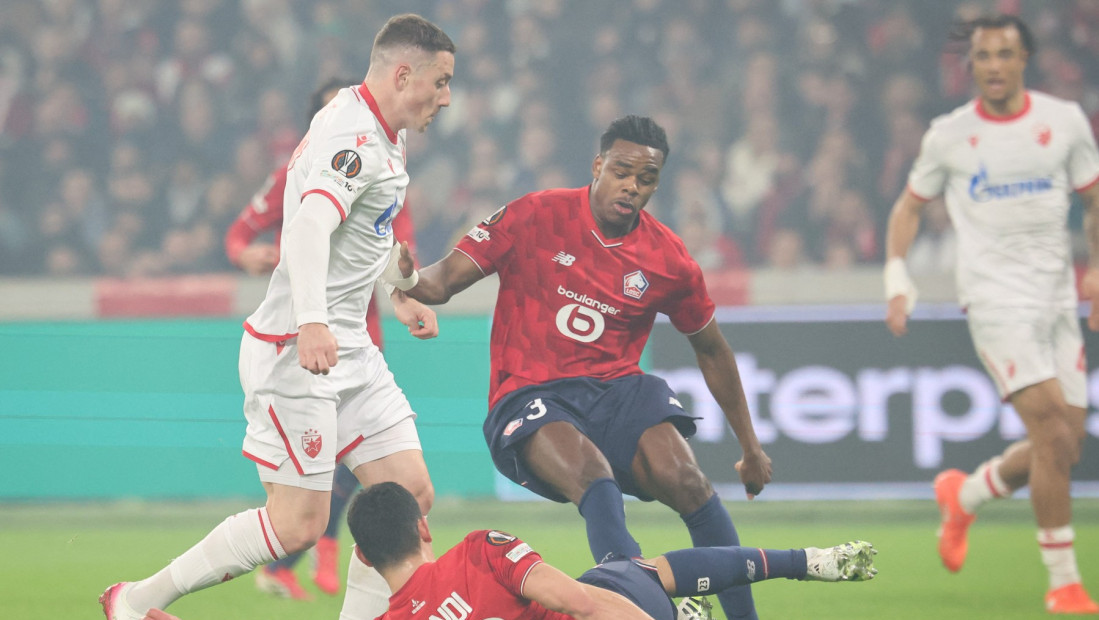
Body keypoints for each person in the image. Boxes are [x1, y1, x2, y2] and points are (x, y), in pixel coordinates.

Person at [100, 14, 456, 620]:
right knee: (297, 525)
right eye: (441, 81)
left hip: (351, 347)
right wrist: (312, 320)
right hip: (298, 348)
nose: (446, 98)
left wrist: (399, 290)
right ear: (403, 75)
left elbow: (361, 234)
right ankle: (136, 601)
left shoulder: (379, 127)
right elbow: (311, 224)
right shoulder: (355, 138)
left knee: (409, 496)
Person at [383, 115, 773, 620]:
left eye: (646, 179)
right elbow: (442, 282)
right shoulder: (535, 215)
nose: (631, 186)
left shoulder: (668, 260)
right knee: (595, 478)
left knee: (689, 482)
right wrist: (409, 278)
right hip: (529, 391)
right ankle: (636, 611)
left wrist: (750, 447)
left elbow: (712, 349)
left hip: (616, 391)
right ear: (597, 166)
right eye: (622, 172)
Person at [882, 14, 1099, 615]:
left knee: (1064, 444)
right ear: (971, 64)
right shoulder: (950, 135)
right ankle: (1063, 583)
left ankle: (967, 495)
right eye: (983, 56)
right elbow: (908, 207)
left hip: (1056, 300)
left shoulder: (1064, 122)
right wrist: (897, 278)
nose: (994, 66)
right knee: (1052, 431)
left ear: (1025, 59)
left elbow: (1093, 198)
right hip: (995, 300)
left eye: (1005, 54)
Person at [138, 481, 878, 620]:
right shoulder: (479, 550)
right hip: (620, 610)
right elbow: (581, 603)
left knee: (620, 566)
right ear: (423, 530)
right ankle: (801, 562)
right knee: (627, 571)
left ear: (360, 556)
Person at [224, 76, 419, 601]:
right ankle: (309, 551)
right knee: (314, 493)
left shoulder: (385, 160)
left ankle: (319, 554)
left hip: (360, 337)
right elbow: (242, 233)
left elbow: (396, 247)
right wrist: (246, 254)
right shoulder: (299, 171)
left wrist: (404, 291)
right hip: (309, 335)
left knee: (383, 477)